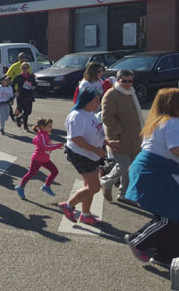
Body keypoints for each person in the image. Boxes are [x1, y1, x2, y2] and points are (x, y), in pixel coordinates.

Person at [123, 88, 179, 268]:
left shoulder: (157, 122)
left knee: (172, 216)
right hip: (155, 172)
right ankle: (138, 240)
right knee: (169, 217)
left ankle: (165, 255)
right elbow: (175, 149)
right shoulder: (172, 122)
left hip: (150, 170)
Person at [59, 88, 121, 226]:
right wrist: (96, 150)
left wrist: (108, 142)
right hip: (80, 154)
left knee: (89, 186)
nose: (98, 103)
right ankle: (68, 205)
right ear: (86, 100)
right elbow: (76, 139)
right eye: (96, 100)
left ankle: (85, 214)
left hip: (90, 154)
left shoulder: (90, 114)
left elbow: (96, 134)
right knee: (94, 187)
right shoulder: (77, 116)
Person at [100, 70, 144, 203]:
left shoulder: (131, 93)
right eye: (124, 81)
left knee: (130, 167)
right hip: (119, 138)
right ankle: (106, 182)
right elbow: (107, 117)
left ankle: (124, 194)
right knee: (123, 164)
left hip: (135, 137)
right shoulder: (112, 94)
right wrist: (120, 131)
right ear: (118, 80)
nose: (127, 84)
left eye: (130, 81)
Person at [15, 118, 63, 199]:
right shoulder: (41, 135)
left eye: (51, 126)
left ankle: (46, 186)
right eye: (49, 126)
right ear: (42, 127)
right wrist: (57, 145)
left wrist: (50, 144)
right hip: (37, 159)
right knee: (31, 174)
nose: (51, 128)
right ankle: (20, 187)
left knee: (54, 171)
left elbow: (35, 141)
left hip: (44, 159)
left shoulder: (43, 134)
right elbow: (45, 146)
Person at [12, 62, 36, 132]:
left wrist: (33, 87)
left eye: (26, 67)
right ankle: (25, 127)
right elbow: (12, 85)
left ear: (28, 68)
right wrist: (15, 92)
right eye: (23, 68)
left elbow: (35, 84)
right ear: (21, 68)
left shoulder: (31, 76)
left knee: (29, 112)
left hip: (29, 95)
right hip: (21, 96)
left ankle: (19, 119)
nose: (25, 69)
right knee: (25, 111)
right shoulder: (18, 77)